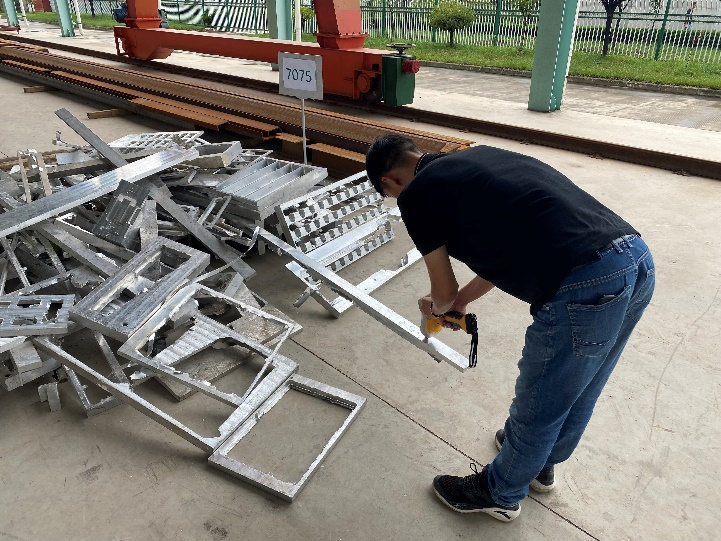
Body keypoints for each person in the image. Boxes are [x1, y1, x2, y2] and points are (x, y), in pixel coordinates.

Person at [365, 135, 655, 522]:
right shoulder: (476, 160)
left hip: (583, 281)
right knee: (580, 384)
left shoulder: (415, 196)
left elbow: (442, 292)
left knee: (539, 400)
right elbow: (502, 253)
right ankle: (538, 464)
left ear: (389, 181)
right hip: (634, 258)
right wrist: (462, 300)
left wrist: (437, 306)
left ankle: (500, 492)